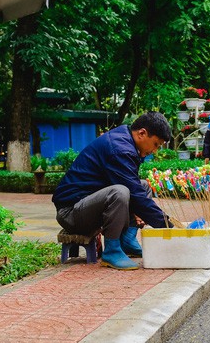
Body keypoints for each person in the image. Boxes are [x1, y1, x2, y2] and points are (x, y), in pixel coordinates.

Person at [53, 111, 173, 270]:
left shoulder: (127, 140)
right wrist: (168, 227)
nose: (155, 150)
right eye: (156, 144)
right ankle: (112, 250)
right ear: (142, 133)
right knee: (120, 192)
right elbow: (134, 194)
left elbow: (136, 189)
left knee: (143, 185)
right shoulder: (119, 149)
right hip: (71, 213)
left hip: (88, 204)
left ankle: (127, 241)